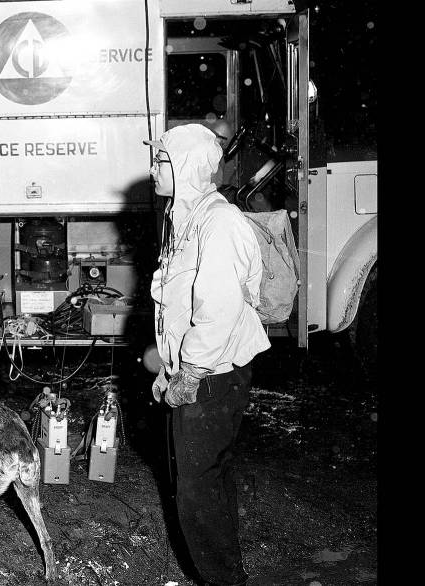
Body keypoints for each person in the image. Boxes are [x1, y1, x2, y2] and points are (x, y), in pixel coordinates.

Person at [146, 123, 270, 586]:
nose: (154, 169)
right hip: (201, 372)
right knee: (208, 482)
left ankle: (222, 580)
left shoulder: (219, 223)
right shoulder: (185, 218)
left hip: (214, 377)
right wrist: (170, 367)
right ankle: (226, 576)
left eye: (162, 161)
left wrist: (190, 372)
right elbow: (178, 304)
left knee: (196, 492)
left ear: (187, 168)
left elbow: (216, 310)